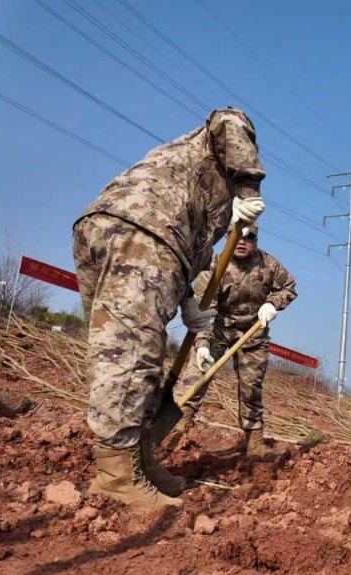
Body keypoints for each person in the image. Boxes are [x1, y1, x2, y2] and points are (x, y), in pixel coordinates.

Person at [72, 108, 266, 508]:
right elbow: (229, 118)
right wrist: (248, 190)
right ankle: (116, 477)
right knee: (130, 354)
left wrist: (188, 300)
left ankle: (139, 461)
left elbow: (190, 246)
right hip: (143, 230)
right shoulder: (219, 143)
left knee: (116, 350)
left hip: (111, 226)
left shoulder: (194, 180)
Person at [168, 223, 297, 458]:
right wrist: (202, 345)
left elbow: (288, 287)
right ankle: (172, 432)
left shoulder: (268, 264)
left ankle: (254, 443)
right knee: (195, 377)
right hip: (218, 328)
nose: (242, 241)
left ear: (256, 240)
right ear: (228, 237)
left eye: (249, 237)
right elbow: (204, 309)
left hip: (253, 333)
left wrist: (273, 303)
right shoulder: (215, 265)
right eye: (237, 236)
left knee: (251, 387)